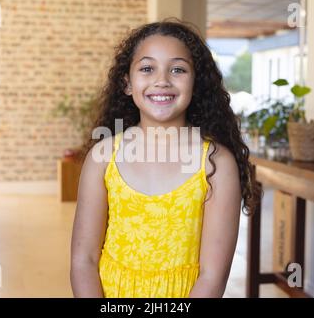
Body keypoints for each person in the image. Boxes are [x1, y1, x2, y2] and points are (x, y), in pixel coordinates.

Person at [71, 19, 261, 298]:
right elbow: (83, 260)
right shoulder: (103, 157)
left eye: (178, 69)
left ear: (196, 84)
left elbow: (213, 277)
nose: (162, 80)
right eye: (147, 68)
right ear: (127, 82)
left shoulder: (216, 164)